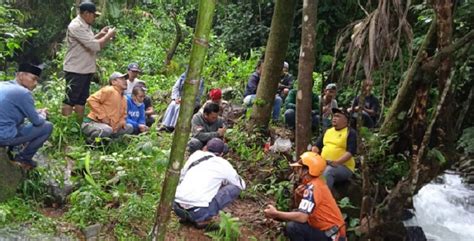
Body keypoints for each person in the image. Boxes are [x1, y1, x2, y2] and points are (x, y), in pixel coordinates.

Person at [264, 152, 346, 241]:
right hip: (331, 233)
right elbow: (303, 211)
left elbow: (302, 217)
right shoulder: (317, 183)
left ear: (306, 171)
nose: (297, 171)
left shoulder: (312, 187)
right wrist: (298, 197)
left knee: (293, 227)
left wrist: (276, 213)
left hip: (332, 236)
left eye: (299, 169)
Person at [62, 2, 116, 122]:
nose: (95, 18)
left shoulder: (85, 25)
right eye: (94, 15)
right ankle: (65, 127)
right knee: (70, 100)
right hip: (76, 69)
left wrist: (100, 34)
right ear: (86, 14)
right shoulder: (76, 26)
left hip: (86, 68)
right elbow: (94, 46)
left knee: (81, 100)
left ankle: (78, 126)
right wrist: (108, 36)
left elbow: (88, 42)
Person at [174, 138, 246, 228]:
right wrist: (223, 182)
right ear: (221, 154)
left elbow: (182, 176)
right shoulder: (223, 164)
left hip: (176, 207)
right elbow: (241, 185)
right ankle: (201, 219)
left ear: (205, 148)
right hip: (199, 212)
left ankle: (186, 216)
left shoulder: (195, 155)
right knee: (235, 188)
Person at [0, 63, 53, 169]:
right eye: (33, 79)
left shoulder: (3, 84)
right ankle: (24, 158)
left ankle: (13, 150)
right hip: (3, 137)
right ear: (21, 75)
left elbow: (11, 111)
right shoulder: (23, 92)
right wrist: (42, 114)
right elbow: (37, 122)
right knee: (47, 126)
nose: (36, 83)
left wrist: (37, 112)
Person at [311, 108, 356, 189]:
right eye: (334, 116)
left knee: (329, 171)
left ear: (346, 120)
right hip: (324, 163)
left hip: (343, 166)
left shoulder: (350, 132)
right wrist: (314, 156)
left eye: (338, 116)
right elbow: (316, 146)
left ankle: (323, 198)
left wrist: (337, 162)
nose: (334, 118)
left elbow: (350, 152)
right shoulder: (328, 131)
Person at [81, 72, 133, 141]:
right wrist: (102, 116)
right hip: (92, 123)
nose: (125, 81)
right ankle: (92, 142)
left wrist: (120, 123)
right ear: (113, 82)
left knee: (129, 127)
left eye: (125, 79)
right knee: (107, 130)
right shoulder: (109, 90)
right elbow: (91, 100)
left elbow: (124, 115)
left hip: (111, 127)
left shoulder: (124, 98)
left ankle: (109, 141)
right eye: (122, 79)